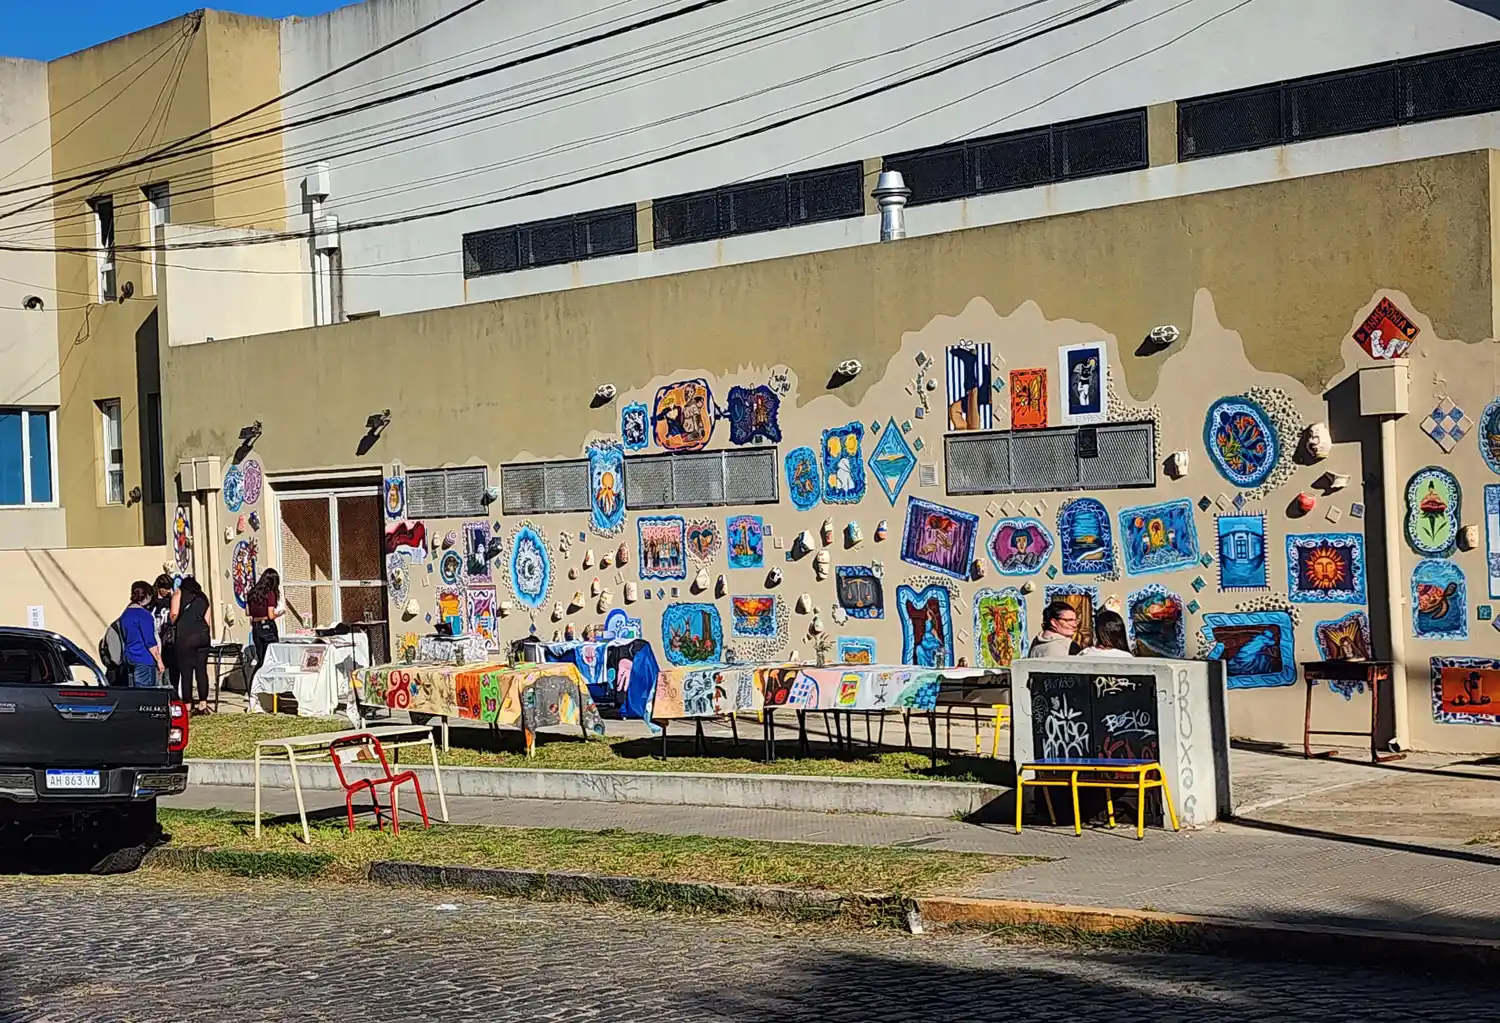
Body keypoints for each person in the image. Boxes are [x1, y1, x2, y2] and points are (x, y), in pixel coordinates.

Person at [171, 575, 213, 714]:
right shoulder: (203, 597)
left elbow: (174, 614)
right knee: (201, 671)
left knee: (186, 672)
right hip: (203, 636)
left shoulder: (179, 593)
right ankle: (203, 704)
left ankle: (188, 704)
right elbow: (207, 620)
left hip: (185, 637)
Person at [118, 581, 164, 688]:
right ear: (147, 596)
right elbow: (150, 642)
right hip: (144, 659)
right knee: (146, 694)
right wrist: (159, 661)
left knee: (133, 692)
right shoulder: (144, 616)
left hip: (130, 658)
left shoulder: (125, 615)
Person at [246, 568, 283, 681]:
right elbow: (271, 615)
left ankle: (254, 685)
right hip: (267, 626)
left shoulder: (252, 592)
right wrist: (280, 613)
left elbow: (248, 612)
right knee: (271, 658)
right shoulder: (270, 593)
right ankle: (270, 685)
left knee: (261, 659)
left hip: (256, 627)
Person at [151, 574, 178, 693]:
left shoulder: (170, 601)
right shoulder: (151, 602)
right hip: (155, 638)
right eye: (166, 588)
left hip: (167, 639)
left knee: (170, 670)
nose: (168, 591)